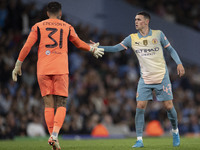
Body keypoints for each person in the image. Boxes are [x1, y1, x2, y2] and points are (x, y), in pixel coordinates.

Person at [12, 1, 104, 150]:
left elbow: (27, 46)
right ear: (60, 13)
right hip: (60, 69)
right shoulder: (67, 26)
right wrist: (91, 49)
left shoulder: (38, 26)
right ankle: (54, 135)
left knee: (48, 105)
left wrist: (18, 64)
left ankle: (54, 139)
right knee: (61, 104)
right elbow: (79, 44)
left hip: (43, 69)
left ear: (47, 13)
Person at [93, 11, 185, 148]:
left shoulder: (158, 34)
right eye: (135, 19)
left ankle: (175, 131)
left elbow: (170, 49)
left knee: (168, 106)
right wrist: (98, 47)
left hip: (161, 76)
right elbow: (116, 48)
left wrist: (179, 63)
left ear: (146, 21)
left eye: (139, 19)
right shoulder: (132, 38)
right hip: (145, 79)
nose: (136, 21)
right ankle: (139, 140)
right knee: (140, 107)